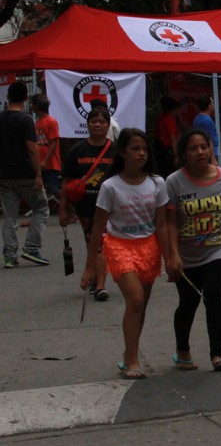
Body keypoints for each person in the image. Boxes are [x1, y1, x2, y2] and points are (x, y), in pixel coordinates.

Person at [82, 128, 171, 380]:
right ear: (122, 152)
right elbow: (97, 229)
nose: (141, 153)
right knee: (135, 299)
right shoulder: (110, 187)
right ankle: (132, 359)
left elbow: (162, 224)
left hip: (149, 247)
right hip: (119, 246)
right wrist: (90, 267)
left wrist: (170, 257)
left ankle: (127, 353)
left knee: (140, 305)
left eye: (144, 149)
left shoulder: (157, 183)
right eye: (135, 149)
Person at [165, 129, 221, 372]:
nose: (200, 152)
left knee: (213, 295)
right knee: (188, 302)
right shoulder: (174, 182)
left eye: (204, 147)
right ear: (183, 154)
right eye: (193, 148)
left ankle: (217, 354)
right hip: (187, 254)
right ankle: (182, 349)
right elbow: (171, 221)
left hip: (219, 247)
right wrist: (173, 255)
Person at [60, 107, 115, 300]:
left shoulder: (115, 151)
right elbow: (66, 181)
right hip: (85, 207)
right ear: (87, 124)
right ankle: (96, 278)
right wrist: (63, 209)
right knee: (92, 242)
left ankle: (100, 285)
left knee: (101, 244)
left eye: (102, 121)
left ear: (108, 125)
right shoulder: (77, 150)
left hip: (109, 208)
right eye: (93, 121)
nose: (97, 125)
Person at [0, 82, 49, 267]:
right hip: (25, 173)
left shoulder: (1, 118)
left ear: (8, 97)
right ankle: (31, 247)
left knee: (10, 216)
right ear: (25, 98)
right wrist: (38, 174)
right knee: (42, 208)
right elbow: (32, 148)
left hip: (5, 174)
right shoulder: (26, 119)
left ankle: (10, 255)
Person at [32, 94, 61, 213]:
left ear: (37, 106)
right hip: (40, 161)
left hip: (50, 163)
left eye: (33, 105)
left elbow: (54, 143)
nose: (31, 107)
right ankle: (38, 212)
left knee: (54, 189)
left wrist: (45, 161)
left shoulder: (51, 121)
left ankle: (69, 208)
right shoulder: (37, 122)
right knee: (38, 188)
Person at [155, 96, 180, 177]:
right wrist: (175, 154)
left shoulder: (161, 117)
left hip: (160, 148)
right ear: (175, 109)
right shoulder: (170, 120)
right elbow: (172, 138)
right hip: (167, 150)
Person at [192, 95, 219, 165]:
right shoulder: (207, 120)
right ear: (209, 106)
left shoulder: (197, 118)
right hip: (210, 154)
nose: (213, 105)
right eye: (212, 103)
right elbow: (209, 139)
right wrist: (213, 159)